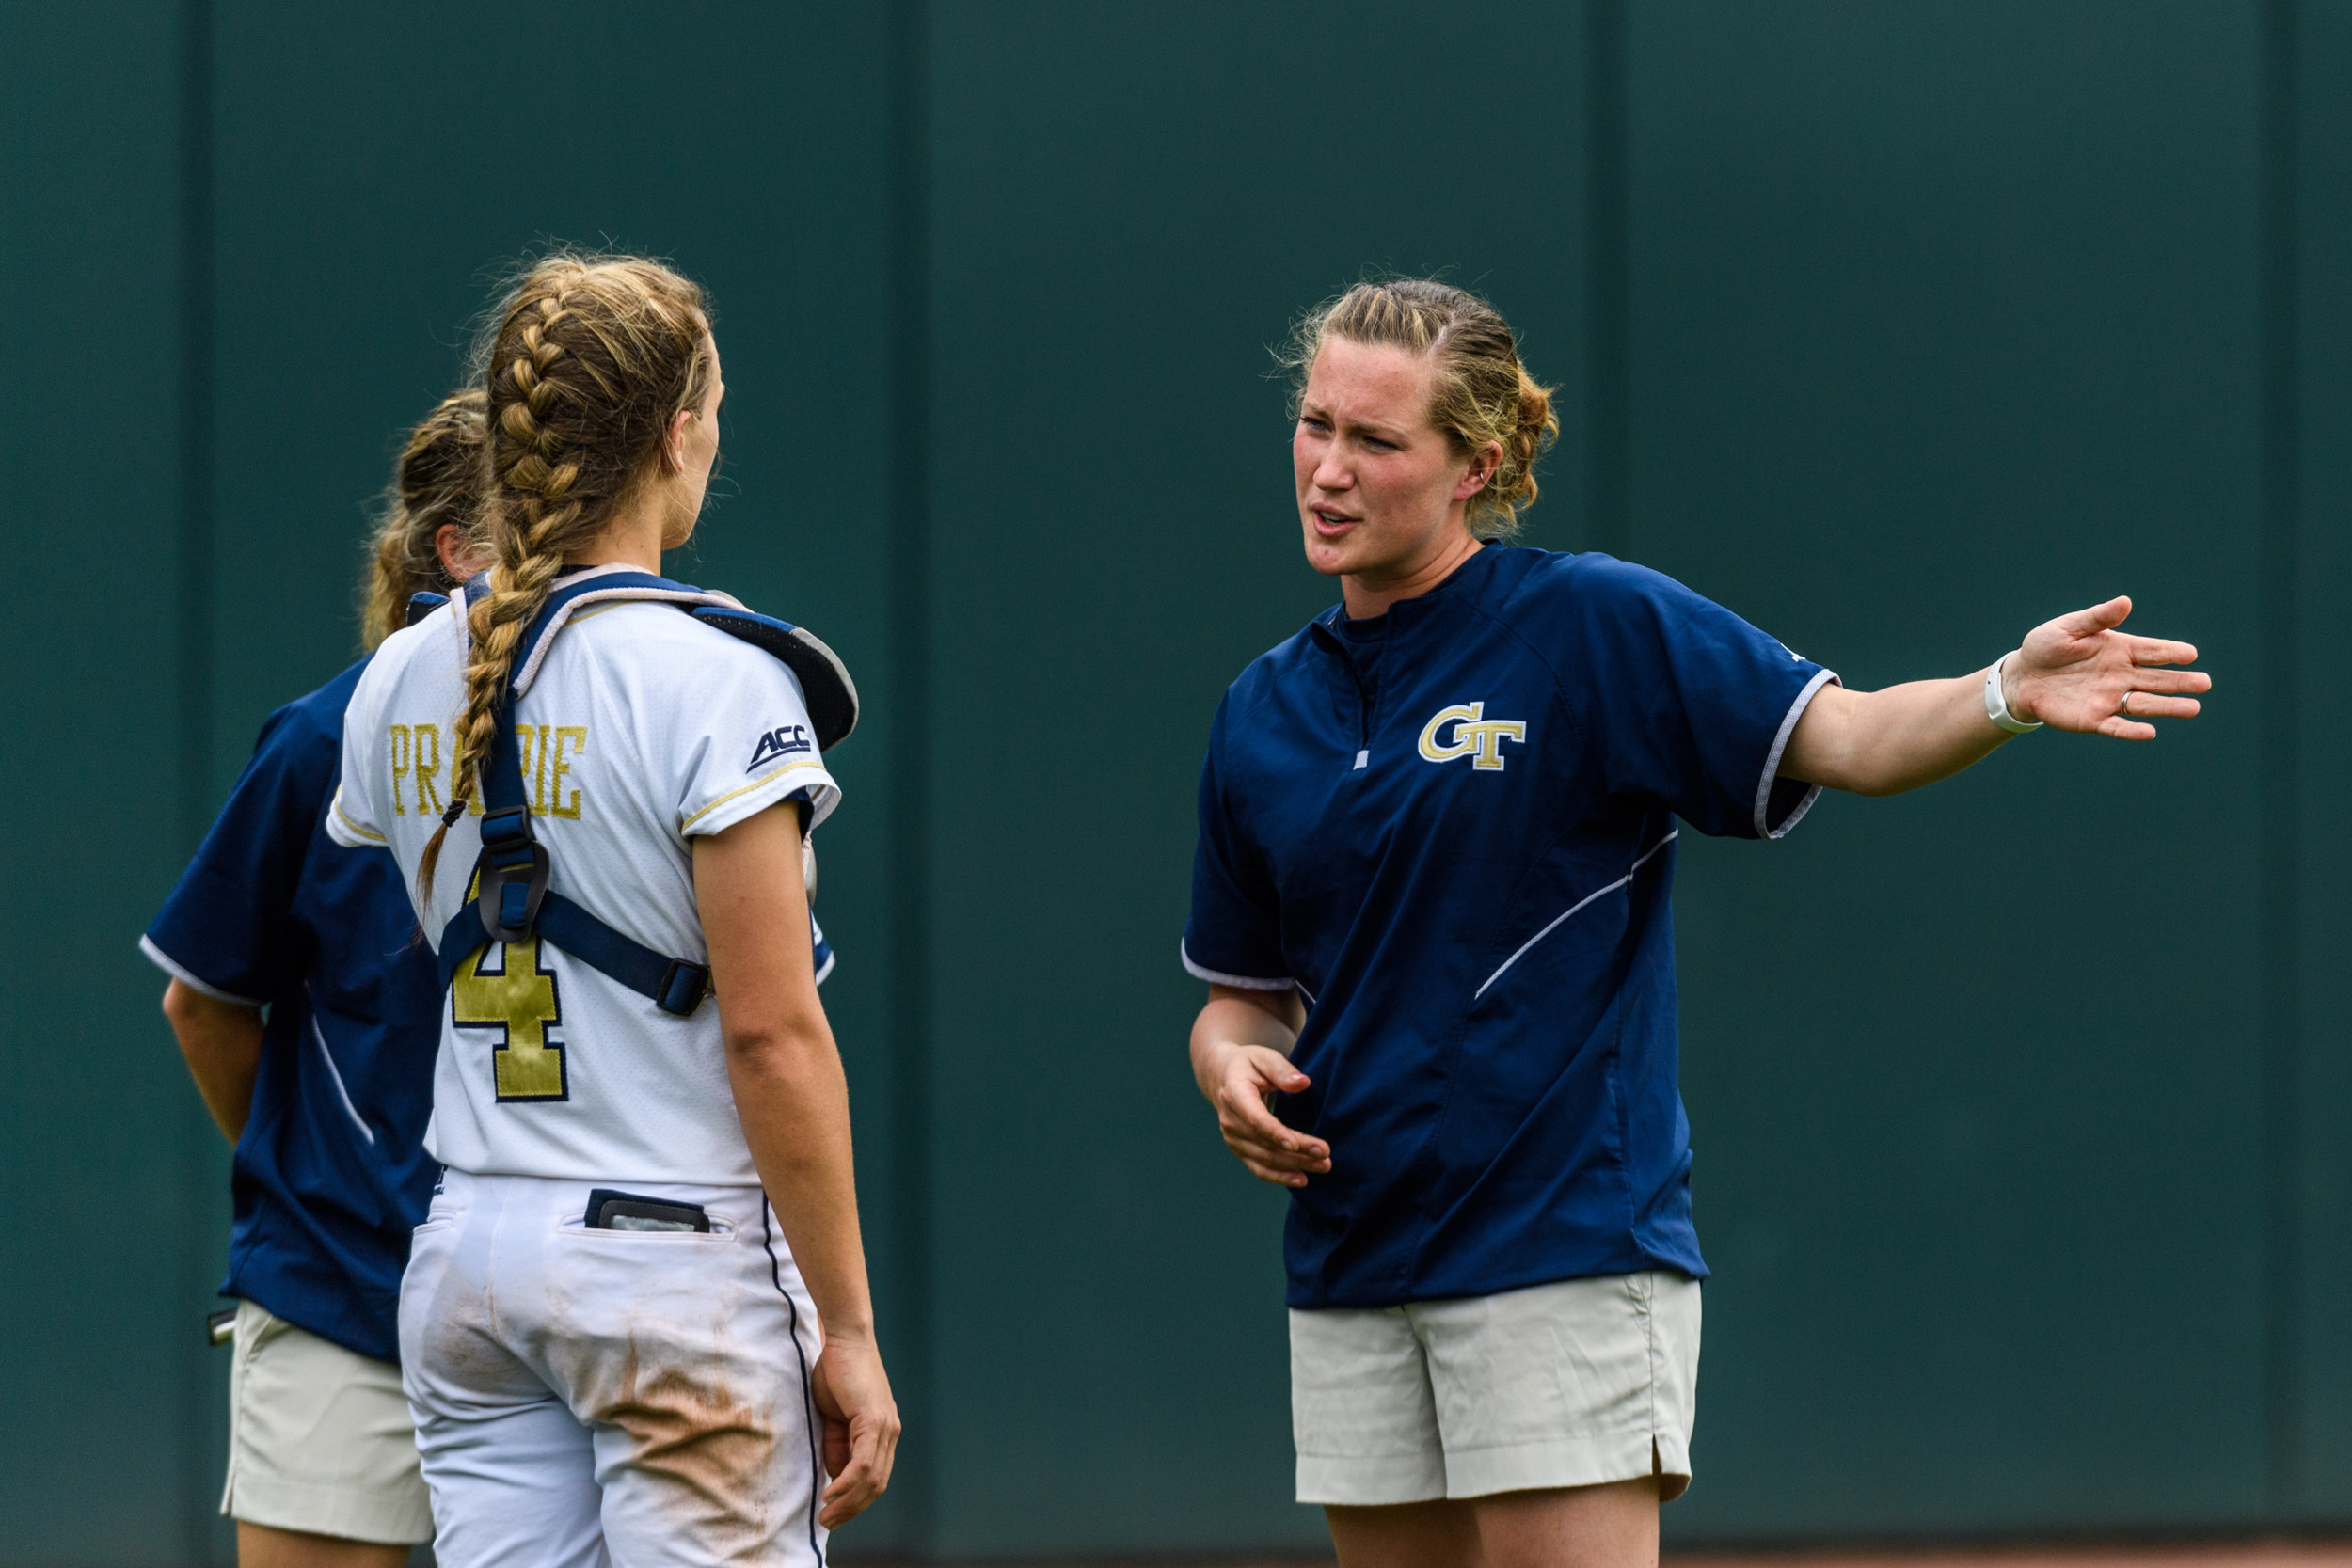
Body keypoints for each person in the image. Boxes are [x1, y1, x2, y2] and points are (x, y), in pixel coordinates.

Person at [1182, 278, 2210, 1568]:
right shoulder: (1262, 709)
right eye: (1315, 422)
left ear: (1475, 466)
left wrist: (2004, 689)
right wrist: (1229, 1066)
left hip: (1558, 1244)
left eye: (1377, 440)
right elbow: (1241, 995)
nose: (1329, 469)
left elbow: (1853, 736)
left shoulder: (1589, 624)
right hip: (1351, 1256)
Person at [325, 252, 898, 1567]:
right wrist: (849, 1331)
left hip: (471, 1254)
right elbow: (773, 1036)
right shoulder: (717, 676)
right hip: (667, 1259)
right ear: (677, 431)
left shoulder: (397, 676)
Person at [143, 388, 489, 1567]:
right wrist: (323, 1178)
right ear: (454, 553)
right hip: (343, 1299)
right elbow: (204, 1003)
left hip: (559, 1303)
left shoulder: (632, 733)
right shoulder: (319, 744)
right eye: (540, 522)